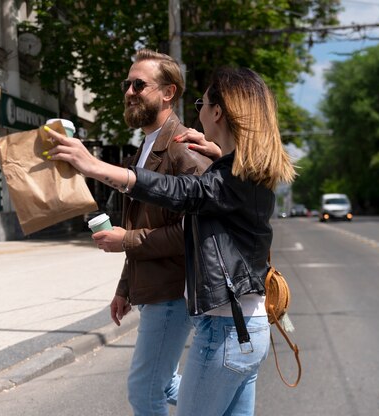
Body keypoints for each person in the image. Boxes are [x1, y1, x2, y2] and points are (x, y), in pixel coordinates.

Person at [44, 67, 296, 415]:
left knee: (149, 390)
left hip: (225, 331)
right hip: (249, 331)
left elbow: (179, 191)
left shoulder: (228, 179)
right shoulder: (246, 173)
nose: (199, 112)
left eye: (201, 103)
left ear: (218, 112)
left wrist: (93, 166)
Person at [89, 49, 212, 416]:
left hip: (174, 290)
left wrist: (124, 240)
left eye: (139, 84)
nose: (129, 91)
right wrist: (125, 288)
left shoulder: (183, 150)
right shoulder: (145, 147)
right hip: (155, 287)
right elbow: (144, 223)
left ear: (168, 92)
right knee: (168, 384)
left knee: (145, 392)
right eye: (127, 84)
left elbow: (192, 232)